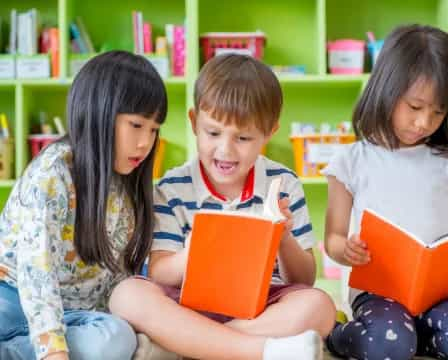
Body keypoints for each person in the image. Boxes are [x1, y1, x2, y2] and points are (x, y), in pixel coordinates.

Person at [109, 53, 336, 360]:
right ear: (194, 122)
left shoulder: (283, 183)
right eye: (213, 133)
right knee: (127, 295)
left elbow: (303, 279)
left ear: (269, 133)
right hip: (186, 304)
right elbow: (161, 272)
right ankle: (257, 350)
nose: (225, 150)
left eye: (243, 137)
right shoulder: (171, 188)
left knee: (320, 307)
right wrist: (192, 255)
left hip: (260, 307)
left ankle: (186, 347)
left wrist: (283, 238)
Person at [323, 24, 448, 359]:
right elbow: (333, 240)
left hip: (443, 294)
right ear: (386, 90)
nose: (424, 122)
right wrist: (346, 250)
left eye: (438, 112)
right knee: (389, 343)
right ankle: (339, 335)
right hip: (379, 292)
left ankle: (422, 337)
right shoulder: (351, 161)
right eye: (414, 107)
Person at [0, 50, 168, 360]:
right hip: (12, 299)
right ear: (97, 114)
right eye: (136, 125)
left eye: (154, 129)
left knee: (115, 338)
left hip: (74, 315)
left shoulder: (128, 186)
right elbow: (37, 272)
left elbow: (116, 278)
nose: (146, 142)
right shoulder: (53, 172)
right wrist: (54, 353)